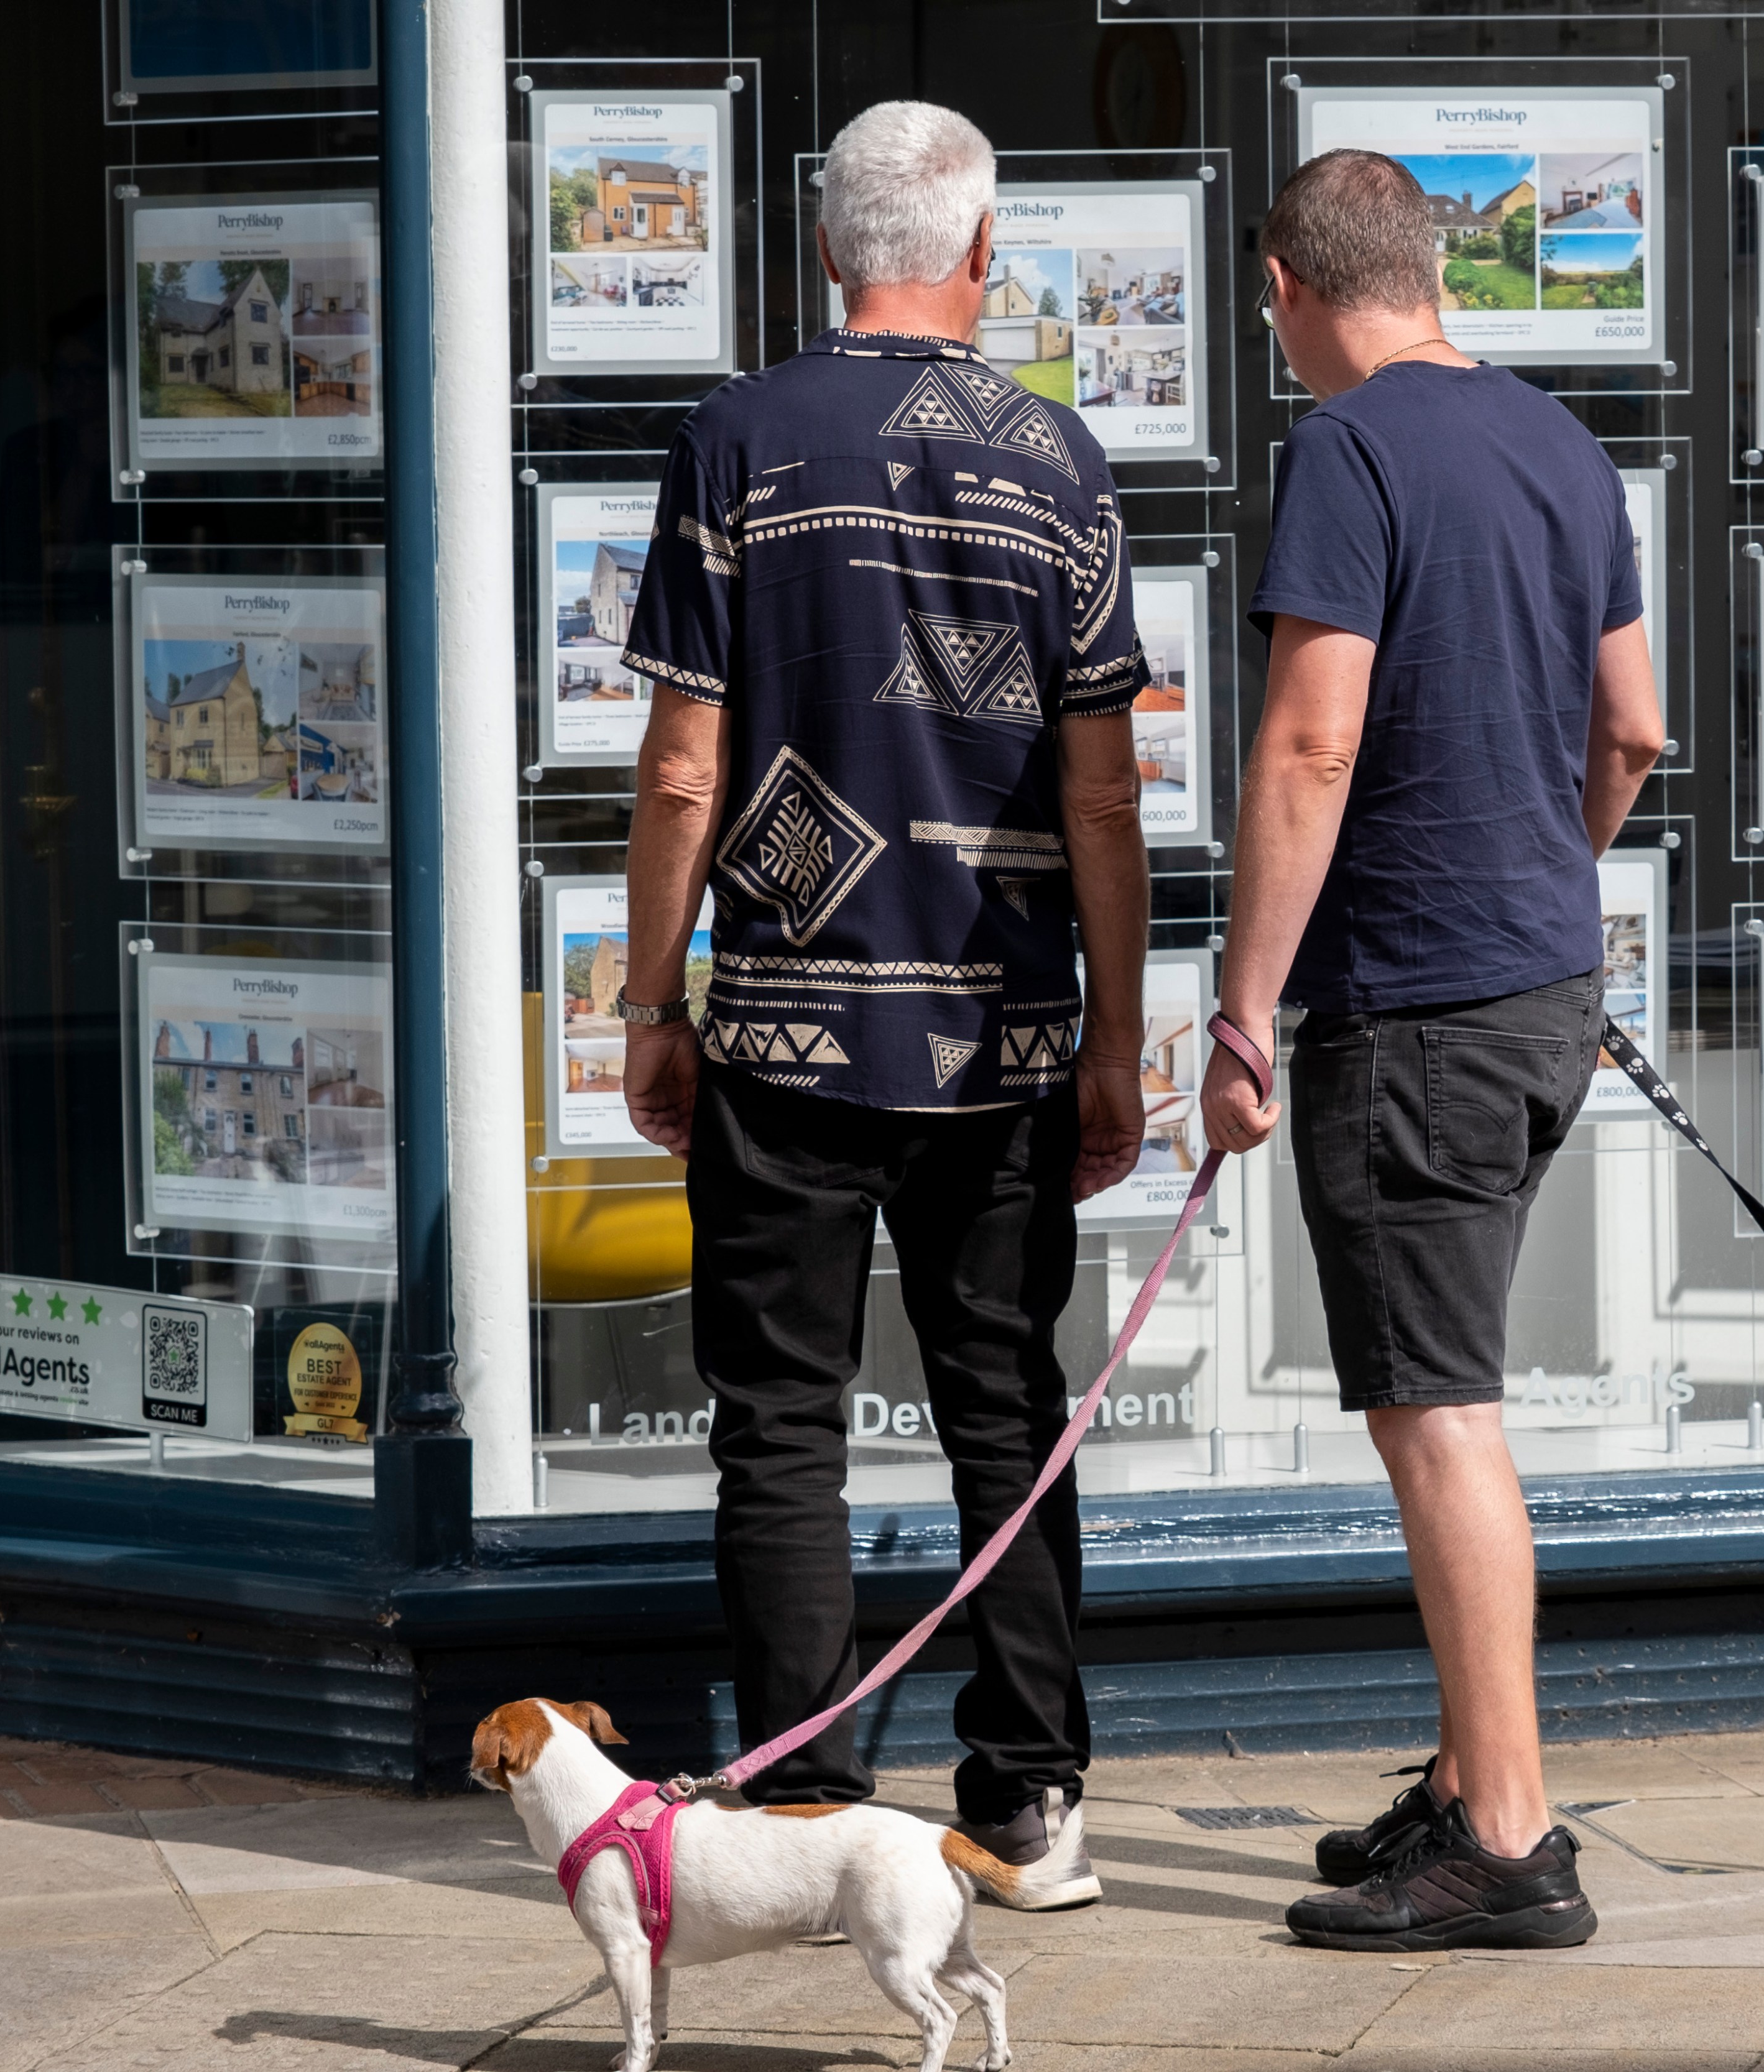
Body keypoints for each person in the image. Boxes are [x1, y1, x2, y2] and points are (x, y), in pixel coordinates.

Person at [614, 100, 1150, 1899]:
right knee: (1004, 1401)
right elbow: (1099, 792)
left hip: (784, 1024)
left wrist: (650, 1000)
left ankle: (806, 1804)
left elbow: (685, 767)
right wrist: (1119, 1040)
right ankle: (1030, 1795)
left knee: (782, 1418)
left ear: (825, 253)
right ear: (980, 254)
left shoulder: (739, 436)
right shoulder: (1063, 460)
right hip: (997, 1037)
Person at [1197, 148, 1665, 1951]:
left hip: (1412, 1001)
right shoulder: (1560, 441)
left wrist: (1245, 1008)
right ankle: (1474, 1783)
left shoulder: (1350, 448)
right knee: (1452, 1393)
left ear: (1286, 286)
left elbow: (1311, 750)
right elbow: (1630, 729)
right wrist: (1545, 869)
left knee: (1442, 1414)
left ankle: (1512, 1838)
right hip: (1543, 986)